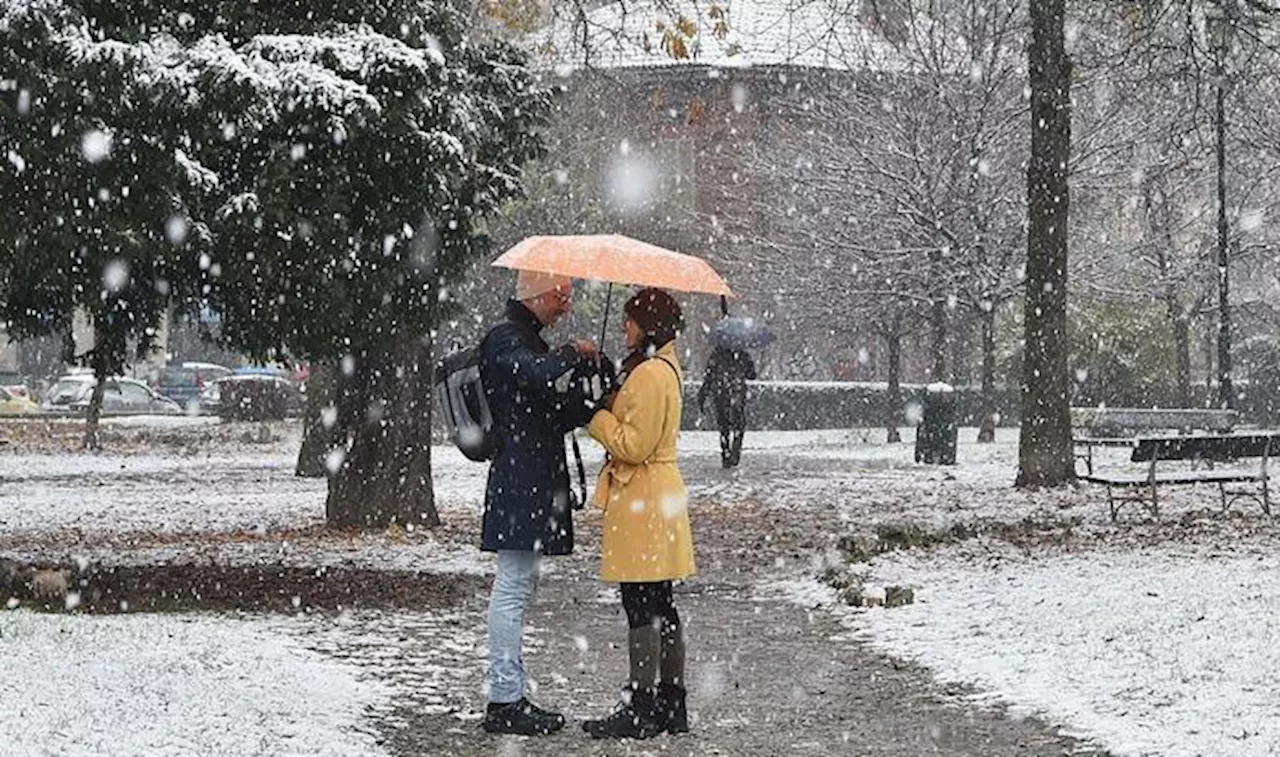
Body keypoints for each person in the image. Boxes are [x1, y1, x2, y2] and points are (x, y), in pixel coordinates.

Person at [478, 269, 601, 736]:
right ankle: (504, 700)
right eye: (562, 296)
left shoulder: (527, 341)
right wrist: (573, 354)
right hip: (519, 480)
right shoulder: (507, 339)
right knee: (511, 587)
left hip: (530, 480)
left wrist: (592, 390)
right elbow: (531, 377)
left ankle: (509, 694)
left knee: (520, 586)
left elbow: (551, 412)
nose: (566, 306)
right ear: (537, 295)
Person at [582, 288, 695, 740]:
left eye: (631, 321)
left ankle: (641, 705)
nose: (625, 328)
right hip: (657, 496)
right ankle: (670, 701)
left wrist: (597, 418)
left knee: (641, 604)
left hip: (643, 498)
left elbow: (634, 445)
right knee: (660, 602)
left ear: (647, 324)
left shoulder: (649, 373)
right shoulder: (663, 367)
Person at [697, 344, 756, 468]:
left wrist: (703, 394)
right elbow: (752, 375)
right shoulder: (742, 353)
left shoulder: (717, 353)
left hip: (720, 394)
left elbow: (709, 376)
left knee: (724, 426)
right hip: (737, 393)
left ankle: (726, 454)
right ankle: (735, 451)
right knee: (739, 424)